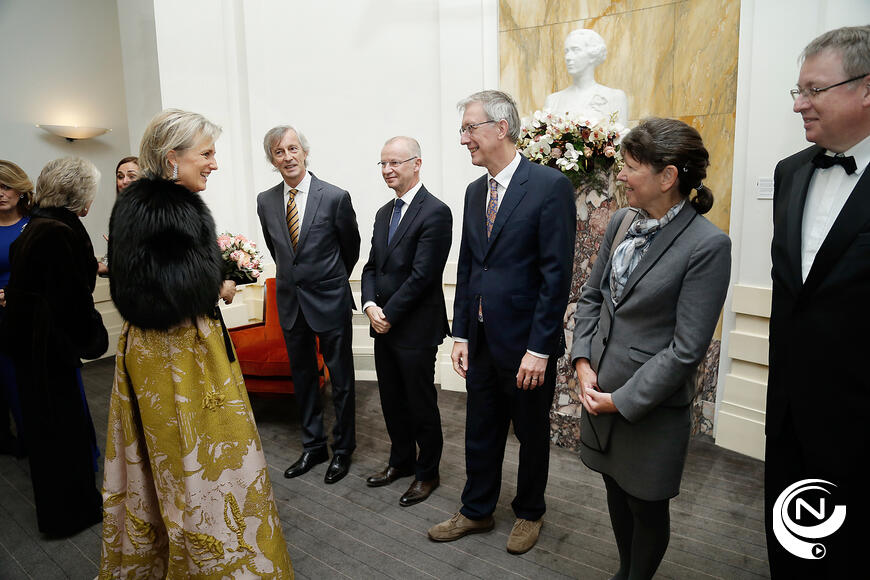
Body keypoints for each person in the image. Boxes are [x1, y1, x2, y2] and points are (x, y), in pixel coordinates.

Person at [100, 109, 293, 578]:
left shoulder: (145, 204)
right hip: (176, 354)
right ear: (173, 158)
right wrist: (218, 284)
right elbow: (171, 291)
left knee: (170, 460)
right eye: (206, 154)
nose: (214, 163)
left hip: (162, 348)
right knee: (194, 460)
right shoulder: (166, 208)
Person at [571, 118, 730, 579]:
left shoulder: (708, 245)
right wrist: (582, 362)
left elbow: (686, 350)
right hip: (599, 390)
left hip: (649, 407)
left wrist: (620, 400)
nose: (620, 176)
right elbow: (593, 296)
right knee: (615, 492)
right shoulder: (621, 221)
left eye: (630, 167)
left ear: (668, 176)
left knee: (646, 506)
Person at [427, 90, 575, 554]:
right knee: (480, 429)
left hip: (528, 345)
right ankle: (477, 509)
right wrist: (462, 334)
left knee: (531, 434)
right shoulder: (475, 192)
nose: (463, 139)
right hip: (482, 339)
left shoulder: (549, 186)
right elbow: (470, 266)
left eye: (470, 128)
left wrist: (540, 348)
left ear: (501, 128)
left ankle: (530, 512)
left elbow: (556, 276)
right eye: (463, 130)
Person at [766, 26, 870, 579]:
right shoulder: (790, 172)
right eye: (797, 91)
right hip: (788, 412)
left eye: (814, 90)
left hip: (858, 421)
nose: (799, 105)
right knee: (790, 548)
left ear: (866, 89)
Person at [2, 157, 108, 536]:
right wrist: (93, 338)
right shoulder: (58, 232)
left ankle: (64, 512)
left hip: (33, 347)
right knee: (62, 435)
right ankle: (70, 516)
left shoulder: (37, 226)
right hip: (48, 351)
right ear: (78, 194)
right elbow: (71, 301)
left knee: (50, 434)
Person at [257, 125, 360, 485]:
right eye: (279, 152)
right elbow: (279, 251)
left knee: (342, 381)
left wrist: (329, 280)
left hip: (330, 300)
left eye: (293, 149)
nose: (287, 157)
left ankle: (343, 449)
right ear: (272, 160)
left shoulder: (334, 197)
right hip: (291, 303)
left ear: (304, 152)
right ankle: (313, 446)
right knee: (302, 378)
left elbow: (350, 249)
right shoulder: (266, 201)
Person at [361, 136, 451, 506]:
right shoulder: (384, 213)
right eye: (383, 163)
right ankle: (400, 461)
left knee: (420, 403)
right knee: (392, 400)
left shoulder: (436, 212)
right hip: (382, 325)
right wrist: (369, 305)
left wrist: (389, 315)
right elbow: (371, 267)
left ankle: (427, 473)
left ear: (417, 164)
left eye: (395, 162)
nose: (387, 170)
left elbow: (423, 276)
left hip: (415, 328)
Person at [0, 160, 32, 458]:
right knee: (7, 382)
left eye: (6, 186)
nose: (1, 193)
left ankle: (34, 440)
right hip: (0, 318)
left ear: (20, 189)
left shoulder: (35, 223)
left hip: (31, 315)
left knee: (29, 383)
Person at [544, 28, 629, 123]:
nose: (568, 57)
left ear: (592, 55)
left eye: (575, 50)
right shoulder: (553, 101)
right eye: (566, 51)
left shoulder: (615, 97)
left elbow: (621, 131)